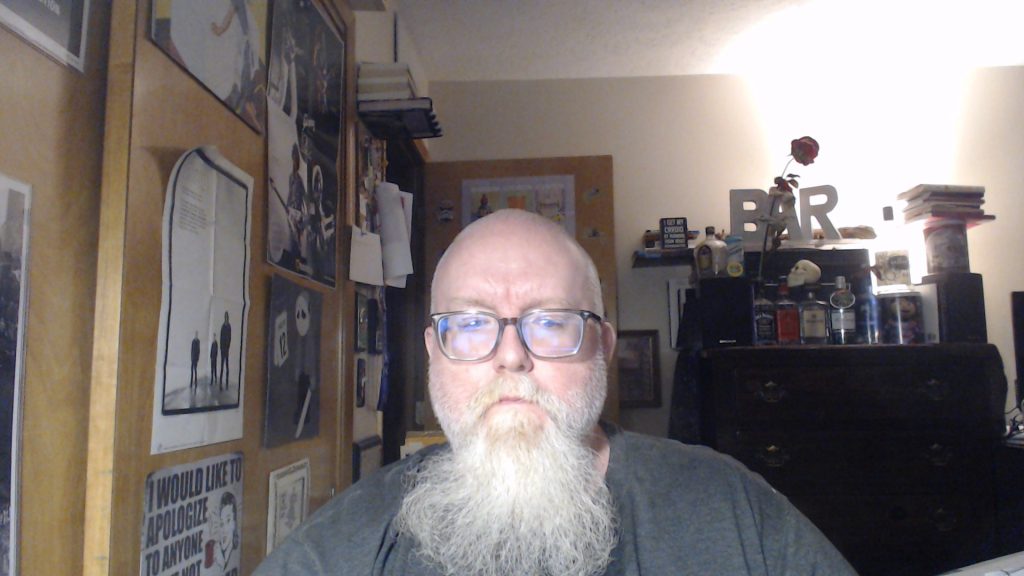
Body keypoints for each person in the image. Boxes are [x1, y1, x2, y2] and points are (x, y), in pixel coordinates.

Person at [255, 209, 855, 575]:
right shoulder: (346, 545)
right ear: (433, 353)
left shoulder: (732, 509)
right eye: (469, 324)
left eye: (549, 321)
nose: (511, 355)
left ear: (602, 345)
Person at [219, 311, 232, 391]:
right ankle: (221, 383)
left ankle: (226, 382)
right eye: (225, 316)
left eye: (227, 316)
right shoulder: (223, 326)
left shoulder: (228, 326)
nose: (226, 318)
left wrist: (228, 347)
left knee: (226, 366)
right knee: (222, 366)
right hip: (223, 349)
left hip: (226, 349)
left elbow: (229, 337)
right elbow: (221, 337)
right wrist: (221, 347)